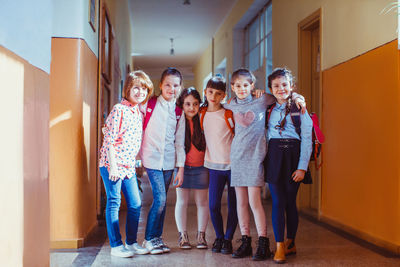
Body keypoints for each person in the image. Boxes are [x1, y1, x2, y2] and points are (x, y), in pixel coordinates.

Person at [224, 68, 305, 261]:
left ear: (252, 86)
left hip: (255, 159)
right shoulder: (230, 104)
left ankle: (263, 242)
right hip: (237, 158)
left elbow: (283, 94)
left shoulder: (262, 100)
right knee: (240, 203)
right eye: (238, 85)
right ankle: (245, 240)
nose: (242, 88)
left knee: (254, 202)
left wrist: (299, 97)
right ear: (232, 87)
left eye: (246, 85)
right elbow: (213, 103)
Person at [98, 70, 153, 257]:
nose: (140, 92)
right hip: (111, 164)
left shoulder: (137, 111)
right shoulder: (119, 109)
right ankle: (115, 246)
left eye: (144, 89)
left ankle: (131, 242)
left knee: (135, 204)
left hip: (128, 166)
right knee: (114, 202)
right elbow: (110, 140)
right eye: (136, 88)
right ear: (128, 89)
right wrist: (113, 166)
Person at [264, 68, 312, 264]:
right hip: (274, 157)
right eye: (276, 86)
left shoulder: (300, 108)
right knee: (277, 202)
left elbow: (307, 139)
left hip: (294, 157)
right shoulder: (268, 109)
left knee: (290, 202)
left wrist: (302, 167)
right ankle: (279, 246)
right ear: (271, 89)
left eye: (285, 84)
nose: (281, 88)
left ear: (291, 87)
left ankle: (291, 242)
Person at [140, 67, 185, 254]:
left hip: (168, 162)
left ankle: (157, 238)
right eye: (167, 84)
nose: (171, 88)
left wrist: (180, 168)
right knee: (160, 198)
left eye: (175, 85)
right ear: (160, 85)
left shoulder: (178, 111)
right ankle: (149, 239)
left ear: (180, 87)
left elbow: (180, 141)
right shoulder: (148, 104)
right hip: (151, 159)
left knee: (163, 201)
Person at [200, 76, 238, 255]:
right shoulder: (201, 113)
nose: (213, 96)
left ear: (224, 95)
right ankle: (219, 236)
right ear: (205, 92)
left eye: (218, 93)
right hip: (214, 167)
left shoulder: (229, 113)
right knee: (213, 204)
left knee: (233, 205)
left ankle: (228, 239)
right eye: (210, 92)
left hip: (233, 166)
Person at [174, 87, 209, 249]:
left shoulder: (203, 119)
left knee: (202, 202)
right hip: (182, 168)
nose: (191, 108)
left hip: (201, 167)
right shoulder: (177, 120)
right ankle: (183, 236)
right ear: (181, 104)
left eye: (195, 104)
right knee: (182, 202)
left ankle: (201, 236)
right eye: (187, 104)